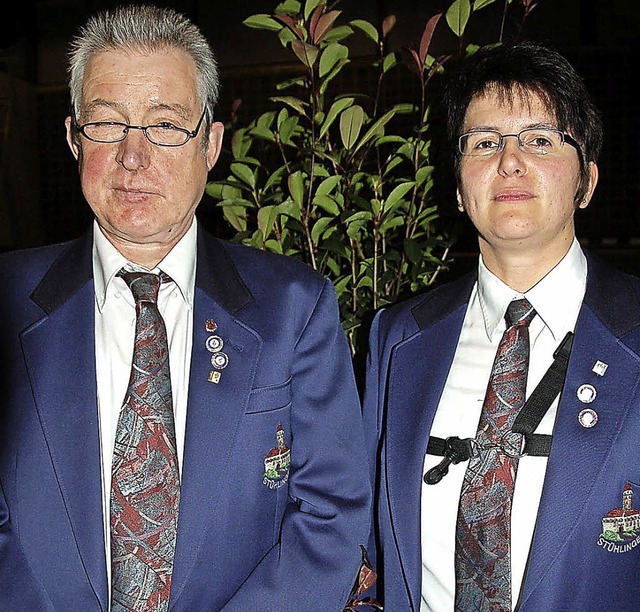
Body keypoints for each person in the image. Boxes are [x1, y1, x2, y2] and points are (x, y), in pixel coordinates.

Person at [0, 5, 372, 610]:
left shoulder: (293, 310)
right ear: (73, 138)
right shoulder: (7, 303)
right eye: (106, 124)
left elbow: (331, 514)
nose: (133, 155)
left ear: (212, 144)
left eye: (166, 126)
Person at [363, 40, 640, 611]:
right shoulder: (398, 338)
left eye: (539, 140)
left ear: (586, 181)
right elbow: (368, 546)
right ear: (460, 190)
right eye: (485, 143)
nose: (509, 161)